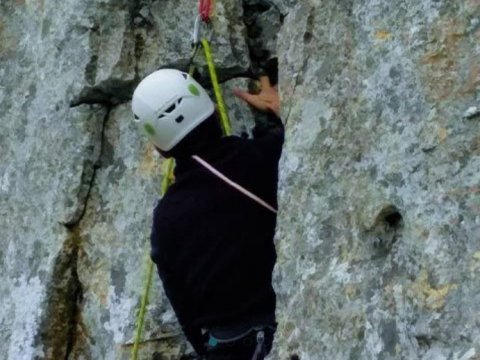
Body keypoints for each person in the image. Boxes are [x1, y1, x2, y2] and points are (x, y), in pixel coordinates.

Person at [131, 69, 283, 360]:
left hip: (226, 347)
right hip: (281, 323)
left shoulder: (166, 219)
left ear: (161, 150)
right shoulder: (263, 156)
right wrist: (281, 110)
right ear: (212, 110)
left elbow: (184, 309)